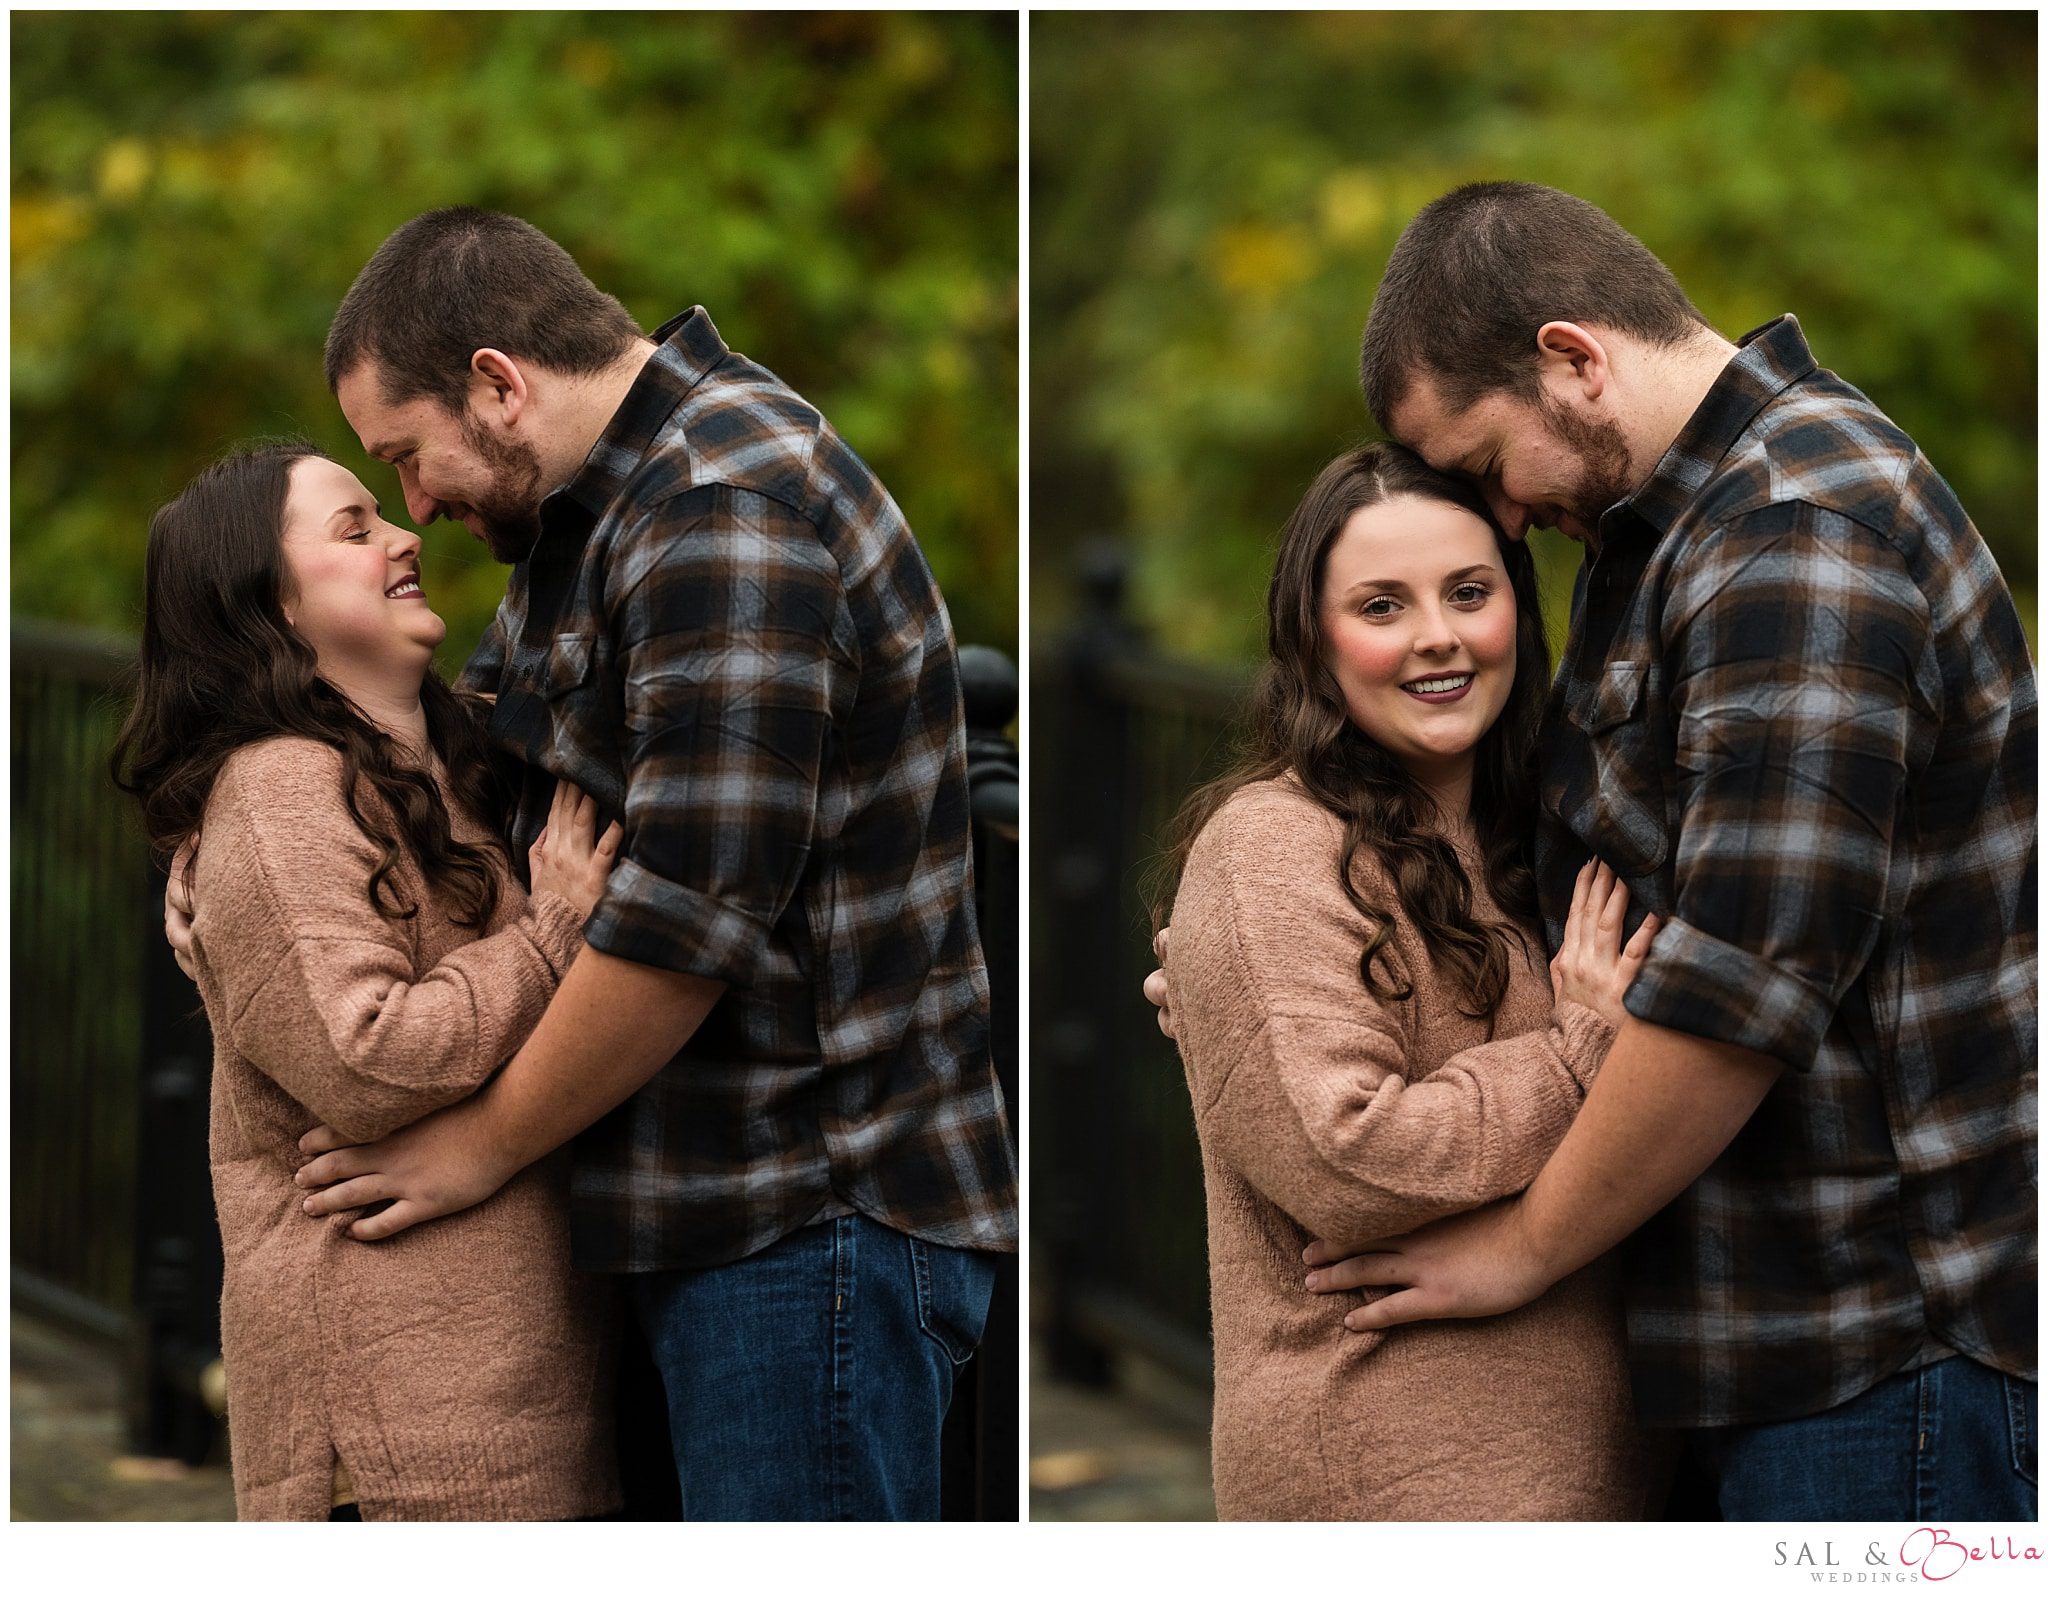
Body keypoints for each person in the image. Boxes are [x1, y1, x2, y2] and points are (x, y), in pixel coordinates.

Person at [1155, 182, 2036, 1519]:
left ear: (1573, 361)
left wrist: (1525, 1246)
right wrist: (1246, 982)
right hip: (1752, 1355)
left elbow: (1733, 995)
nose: (1499, 526)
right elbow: (1610, 905)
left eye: (1484, 466)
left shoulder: (1799, 535)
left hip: (1874, 1342)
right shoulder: (1671, 533)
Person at [169, 209, 1018, 1520]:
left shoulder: (718, 507)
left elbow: (684, 924)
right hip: (700, 1213)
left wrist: (481, 1146)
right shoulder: (587, 517)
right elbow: (479, 794)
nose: (417, 508)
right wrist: (230, 862)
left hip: (803, 1217)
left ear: (498, 386)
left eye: (408, 456)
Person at [115, 442, 623, 1521]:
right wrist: (550, 937)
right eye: (352, 528)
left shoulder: (442, 760)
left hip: (501, 1390)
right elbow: (367, 1054)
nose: (403, 532)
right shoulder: (277, 790)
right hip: (398, 1429)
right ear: (273, 609)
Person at [1157, 442, 1655, 1519]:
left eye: (1467, 592)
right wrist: (1575, 1057)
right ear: (1311, 637)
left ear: (1514, 612)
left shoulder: (1541, 834)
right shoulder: (1271, 848)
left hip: (1592, 1469)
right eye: (1381, 605)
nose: (1435, 634)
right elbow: (1347, 1153)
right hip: (1393, 1469)